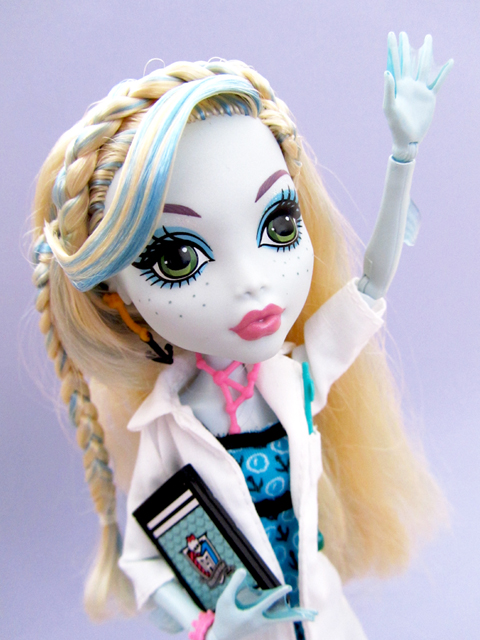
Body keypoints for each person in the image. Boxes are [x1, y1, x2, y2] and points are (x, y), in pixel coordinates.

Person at [31, 32, 452, 640]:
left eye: (279, 224)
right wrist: (208, 625)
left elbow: (369, 285)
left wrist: (404, 156)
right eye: (178, 259)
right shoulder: (170, 431)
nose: (254, 284)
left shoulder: (296, 379)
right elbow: (145, 562)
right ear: (117, 297)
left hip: (326, 617)